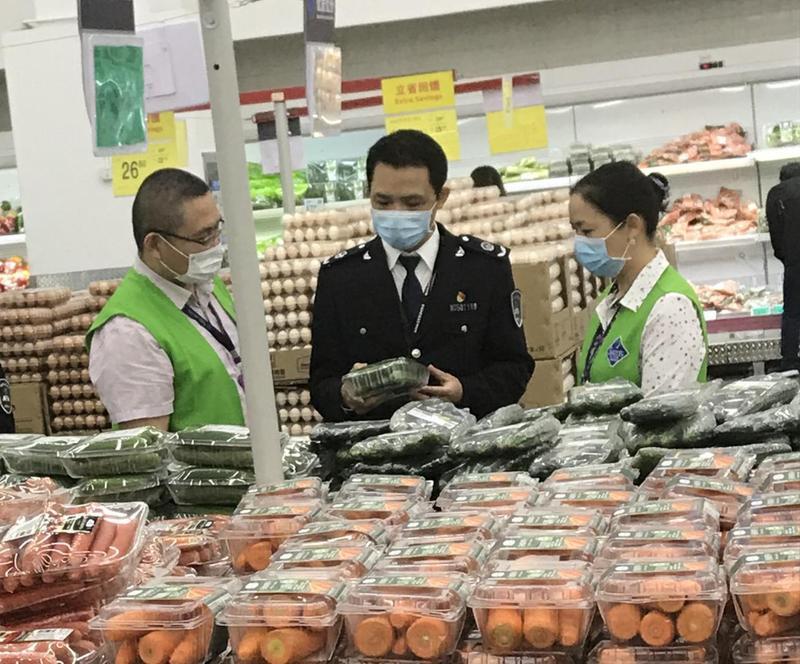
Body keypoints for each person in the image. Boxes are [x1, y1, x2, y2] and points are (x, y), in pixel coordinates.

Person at [310, 129, 534, 421]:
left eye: (412, 203)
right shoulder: (340, 278)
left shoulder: (484, 269)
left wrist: (464, 391)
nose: (396, 212)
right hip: (376, 455)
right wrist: (345, 397)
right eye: (383, 201)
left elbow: (514, 368)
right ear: (369, 194)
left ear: (440, 197)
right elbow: (321, 383)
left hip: (469, 448)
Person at [87, 168, 245, 431]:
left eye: (217, 229)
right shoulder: (127, 332)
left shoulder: (206, 284)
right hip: (201, 473)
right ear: (155, 246)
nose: (215, 245)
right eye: (202, 237)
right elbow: (149, 452)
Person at [571, 161, 708, 393]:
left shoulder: (669, 306)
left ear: (633, 226)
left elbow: (661, 416)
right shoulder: (611, 299)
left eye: (587, 232)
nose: (578, 244)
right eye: (575, 231)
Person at [766, 161, 800, 371]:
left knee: (792, 313)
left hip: (795, 263)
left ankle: (789, 362)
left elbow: (775, 234)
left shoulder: (776, 193)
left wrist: (786, 257)